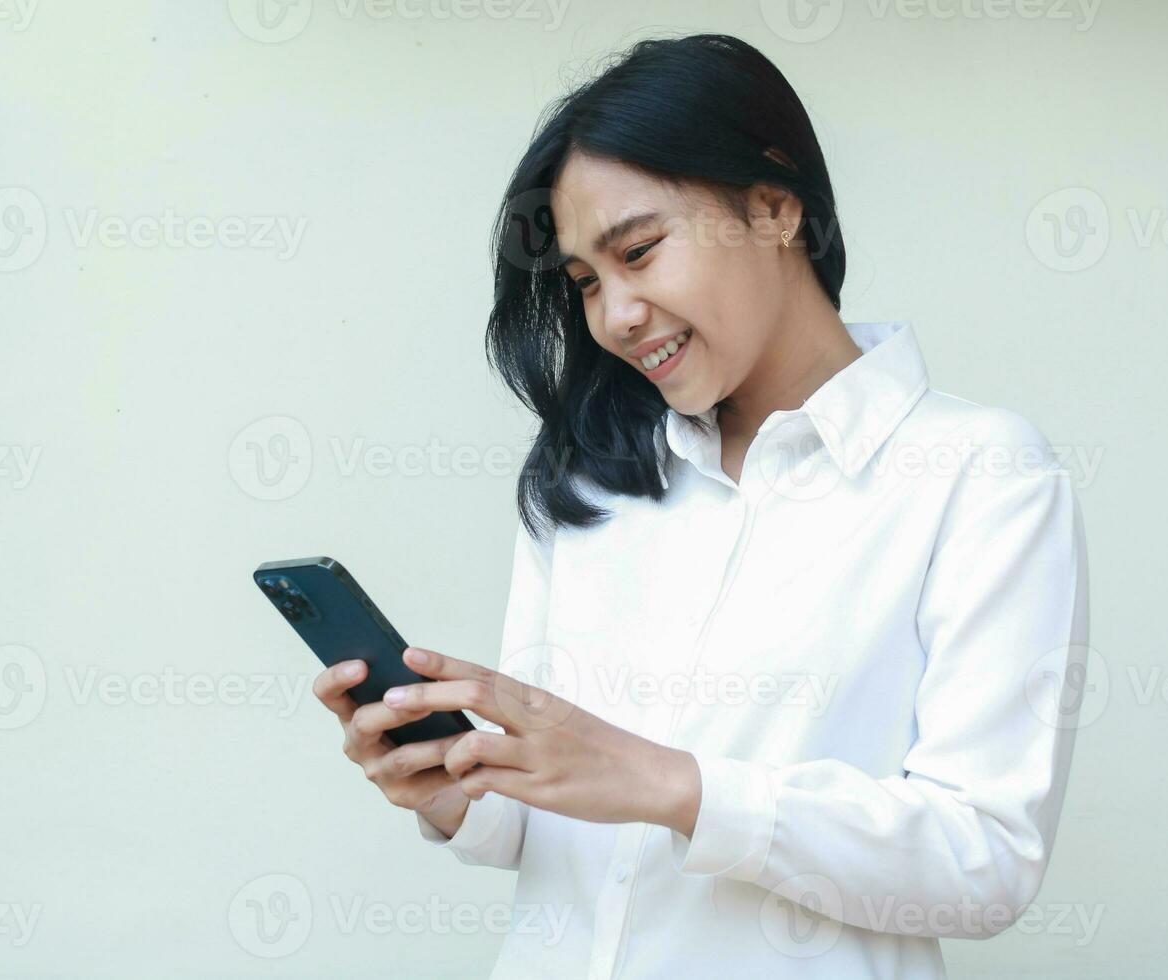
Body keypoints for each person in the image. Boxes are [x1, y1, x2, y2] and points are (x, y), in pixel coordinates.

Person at [312, 32, 1090, 980]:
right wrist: (449, 786)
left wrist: (676, 788)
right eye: (587, 283)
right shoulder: (591, 480)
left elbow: (985, 862)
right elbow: (545, 823)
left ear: (773, 206)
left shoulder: (977, 474)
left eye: (639, 251)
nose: (614, 317)